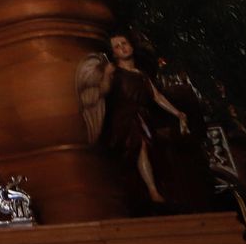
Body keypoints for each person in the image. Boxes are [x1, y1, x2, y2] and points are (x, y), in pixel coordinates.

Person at [77, 31, 193, 209]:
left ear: (131, 45)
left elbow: (156, 96)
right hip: (125, 118)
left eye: (124, 43)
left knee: (151, 149)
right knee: (140, 146)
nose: (122, 48)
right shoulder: (115, 72)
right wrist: (106, 75)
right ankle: (152, 191)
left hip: (142, 116)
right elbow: (103, 91)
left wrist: (177, 113)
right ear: (114, 53)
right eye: (117, 46)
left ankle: (153, 191)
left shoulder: (141, 74)